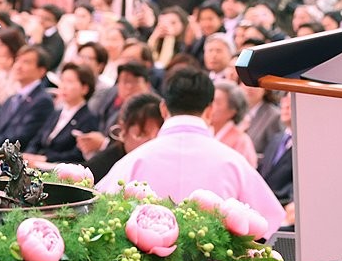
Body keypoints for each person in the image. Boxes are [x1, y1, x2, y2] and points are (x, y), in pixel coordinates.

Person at [98, 67, 285, 233]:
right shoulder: (233, 163)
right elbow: (269, 220)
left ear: (163, 109)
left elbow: (99, 212)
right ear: (210, 111)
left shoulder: (134, 160)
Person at [0, 45, 55, 148]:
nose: (18, 66)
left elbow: (19, 138)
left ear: (41, 71)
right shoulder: (12, 98)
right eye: (17, 60)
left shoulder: (43, 101)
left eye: (26, 62)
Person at [26, 62, 99, 165]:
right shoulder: (57, 113)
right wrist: (30, 154)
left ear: (84, 88)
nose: (63, 86)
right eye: (62, 80)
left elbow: (77, 155)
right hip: (37, 163)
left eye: (69, 82)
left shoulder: (89, 118)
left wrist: (45, 158)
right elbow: (37, 139)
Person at [86, 92, 165, 180]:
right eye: (141, 134)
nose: (150, 143)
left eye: (158, 136)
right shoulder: (100, 168)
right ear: (123, 129)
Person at [208, 80, 258, 166]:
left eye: (217, 103)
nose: (210, 107)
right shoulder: (206, 132)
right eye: (210, 101)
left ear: (232, 111)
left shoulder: (242, 142)